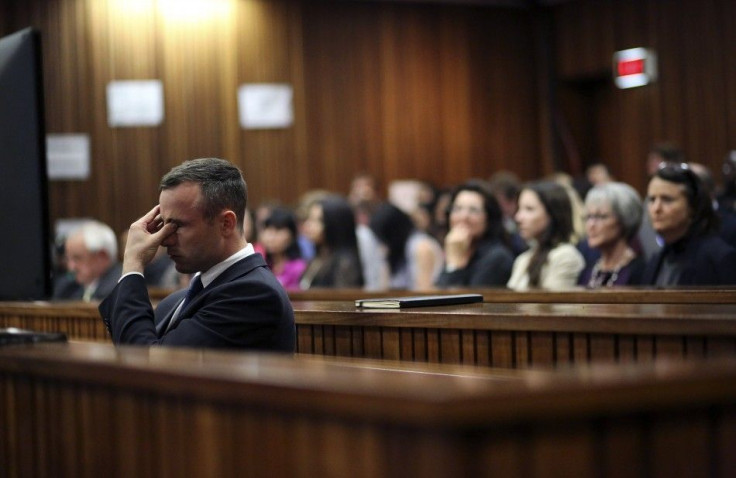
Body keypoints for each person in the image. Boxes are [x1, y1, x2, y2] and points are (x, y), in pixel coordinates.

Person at [98, 158, 295, 351]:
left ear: (226, 224)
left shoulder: (254, 295)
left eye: (178, 225)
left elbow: (146, 367)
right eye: (164, 224)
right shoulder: (177, 301)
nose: (165, 240)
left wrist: (133, 265)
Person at [641, 162, 736, 286]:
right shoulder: (656, 260)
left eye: (667, 199)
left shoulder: (719, 257)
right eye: (652, 199)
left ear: (692, 206)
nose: (656, 208)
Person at [508, 181, 585, 290]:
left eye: (529, 209)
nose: (518, 217)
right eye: (519, 209)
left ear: (553, 213)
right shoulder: (522, 259)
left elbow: (550, 305)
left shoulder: (565, 257)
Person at [435, 182, 514, 288]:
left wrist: (454, 264)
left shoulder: (498, 258)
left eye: (473, 210)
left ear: (489, 218)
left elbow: (463, 302)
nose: (463, 217)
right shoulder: (459, 247)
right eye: (457, 209)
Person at [577, 182, 645, 287]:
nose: (591, 225)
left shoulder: (641, 271)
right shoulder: (587, 272)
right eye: (588, 217)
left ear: (624, 219)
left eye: (601, 217)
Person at [369, 202, 443, 290]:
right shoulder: (397, 251)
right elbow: (385, 287)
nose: (383, 245)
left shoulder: (421, 247)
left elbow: (425, 289)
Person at [299, 194, 364, 289]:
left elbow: (342, 301)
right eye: (310, 218)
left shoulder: (345, 262)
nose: (308, 225)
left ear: (334, 224)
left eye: (318, 220)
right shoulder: (319, 256)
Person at [53, 220, 122, 302]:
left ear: (102, 257)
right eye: (68, 259)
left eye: (77, 258)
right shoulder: (67, 288)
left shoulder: (119, 288)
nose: (71, 267)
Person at [260, 206, 307, 291]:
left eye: (278, 230)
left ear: (292, 235)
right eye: (268, 230)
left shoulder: (299, 268)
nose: (270, 237)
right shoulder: (261, 264)